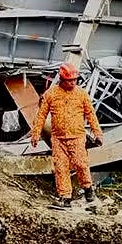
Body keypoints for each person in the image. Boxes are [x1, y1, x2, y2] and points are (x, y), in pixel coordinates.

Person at [29, 63, 104, 208]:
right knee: (61, 167)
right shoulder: (51, 94)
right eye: (70, 80)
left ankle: (89, 191)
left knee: (81, 164)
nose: (73, 82)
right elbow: (41, 115)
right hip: (58, 139)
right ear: (62, 79)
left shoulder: (81, 94)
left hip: (77, 137)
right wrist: (36, 133)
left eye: (75, 80)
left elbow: (91, 114)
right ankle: (65, 198)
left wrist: (97, 133)